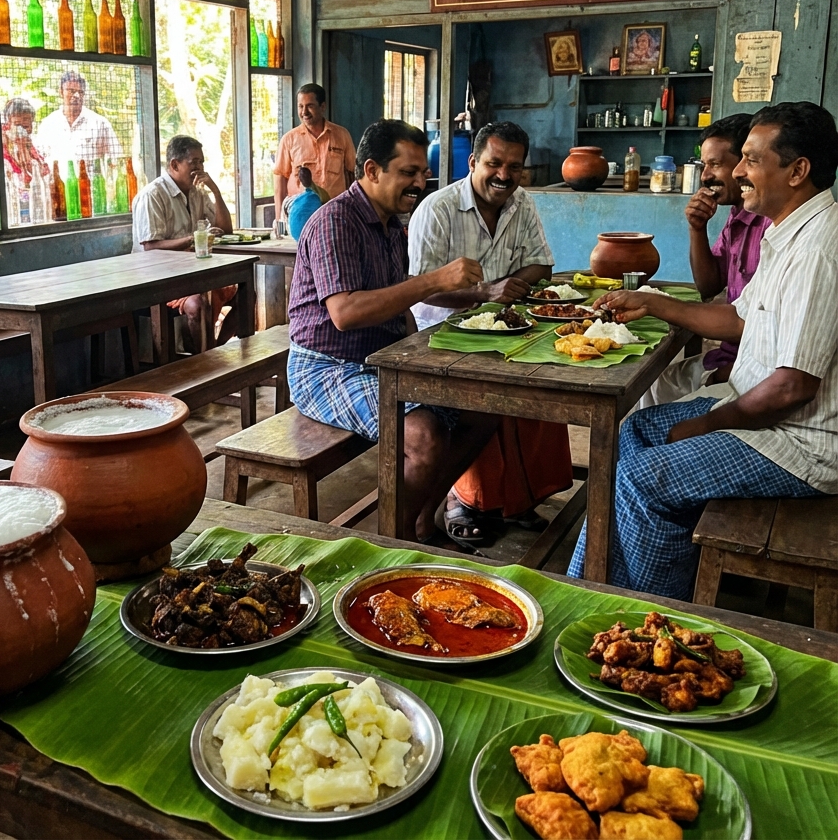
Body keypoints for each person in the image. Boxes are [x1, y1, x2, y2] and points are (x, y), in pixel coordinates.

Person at [568, 101, 838, 600]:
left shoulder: (820, 250)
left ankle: (651, 621)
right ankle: (592, 588)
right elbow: (737, 316)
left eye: (751, 160)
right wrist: (653, 302)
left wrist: (705, 425)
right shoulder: (786, 233)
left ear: (798, 171)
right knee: (631, 433)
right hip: (760, 413)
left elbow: (792, 387)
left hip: (799, 445)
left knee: (640, 479)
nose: (737, 172)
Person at [287, 118, 497, 543]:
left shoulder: (390, 225)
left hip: (381, 362)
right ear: (370, 171)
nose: (420, 182)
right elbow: (345, 313)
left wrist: (482, 295)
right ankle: (392, 541)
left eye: (422, 173)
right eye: (408, 173)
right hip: (325, 369)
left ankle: (420, 517)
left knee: (484, 408)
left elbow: (399, 297)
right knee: (423, 436)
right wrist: (434, 280)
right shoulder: (335, 223)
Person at [408, 121, 573, 544]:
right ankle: (464, 500)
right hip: (436, 333)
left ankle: (516, 501)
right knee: (487, 396)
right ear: (473, 162)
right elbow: (420, 285)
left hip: (499, 327)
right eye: (494, 164)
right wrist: (482, 292)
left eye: (514, 167)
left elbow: (542, 265)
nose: (504, 175)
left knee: (545, 389)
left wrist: (508, 289)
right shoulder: (437, 209)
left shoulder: (522, 205)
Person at [641, 114, 769, 406]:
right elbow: (709, 286)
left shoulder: (769, 225)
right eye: (704, 165)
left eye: (715, 164)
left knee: (657, 389)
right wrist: (697, 229)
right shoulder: (737, 215)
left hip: (749, 367)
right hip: (727, 355)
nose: (705, 176)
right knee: (652, 381)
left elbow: (754, 326)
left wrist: (653, 304)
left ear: (742, 167)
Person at [132, 135, 237, 351]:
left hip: (191, 275)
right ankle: (203, 364)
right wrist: (193, 238)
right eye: (194, 162)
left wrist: (215, 190)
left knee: (243, 295)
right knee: (198, 305)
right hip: (159, 279)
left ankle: (211, 353)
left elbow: (226, 230)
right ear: (174, 164)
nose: (199, 168)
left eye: (202, 162)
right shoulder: (153, 195)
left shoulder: (197, 193)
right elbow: (150, 247)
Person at [273, 83, 356, 221]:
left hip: (334, 214)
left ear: (322, 107)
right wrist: (279, 220)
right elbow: (280, 180)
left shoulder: (341, 135)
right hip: (300, 216)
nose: (304, 112)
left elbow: (354, 173)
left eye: (310, 106)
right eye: (300, 106)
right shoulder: (289, 139)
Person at [35, 70, 123, 174]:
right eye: (71, 91)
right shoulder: (48, 125)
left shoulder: (99, 124)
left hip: (90, 188)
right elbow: (38, 161)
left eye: (80, 92)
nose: (76, 95)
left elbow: (116, 160)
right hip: (56, 188)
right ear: (61, 92)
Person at [285, 166, 323, 241]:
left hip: (298, 237)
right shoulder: (320, 195)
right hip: (313, 237)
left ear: (299, 180)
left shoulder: (296, 201)